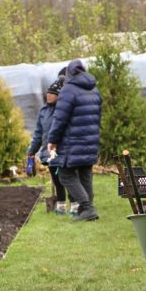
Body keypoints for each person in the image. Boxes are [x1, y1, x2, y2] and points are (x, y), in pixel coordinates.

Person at [47, 59, 102, 222]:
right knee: (85, 173)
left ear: (69, 74)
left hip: (73, 141)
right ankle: (86, 210)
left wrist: (52, 140)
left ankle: (88, 207)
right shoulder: (94, 90)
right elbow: (98, 116)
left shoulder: (68, 90)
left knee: (65, 175)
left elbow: (60, 118)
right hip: (91, 139)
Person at [28, 77, 70, 214]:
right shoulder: (43, 111)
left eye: (52, 93)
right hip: (49, 153)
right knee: (57, 181)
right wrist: (31, 152)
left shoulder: (63, 110)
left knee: (67, 180)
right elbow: (38, 134)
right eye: (48, 92)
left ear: (59, 96)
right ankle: (61, 207)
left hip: (62, 151)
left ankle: (76, 206)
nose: (48, 95)